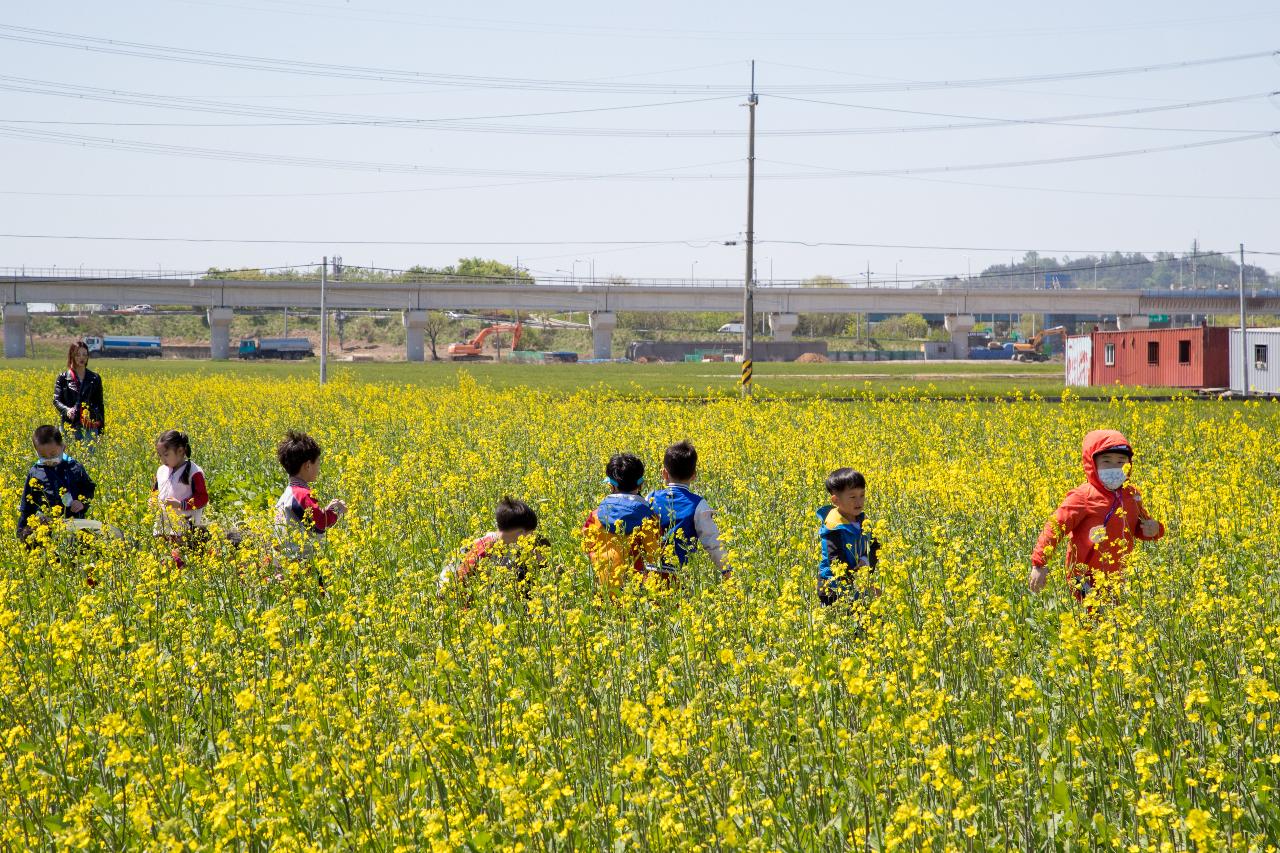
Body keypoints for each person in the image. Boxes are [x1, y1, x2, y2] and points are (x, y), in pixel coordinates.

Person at [1029, 429, 1164, 602]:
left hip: (1117, 574)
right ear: (1092, 463)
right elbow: (1054, 527)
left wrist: (1155, 529)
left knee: (1113, 621)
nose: (1115, 468)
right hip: (1084, 576)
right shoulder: (1082, 496)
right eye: (1107, 462)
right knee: (1092, 620)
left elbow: (1140, 526)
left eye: (1121, 462)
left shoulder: (1131, 494)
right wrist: (1039, 563)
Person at [646, 440, 731, 582]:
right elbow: (712, 542)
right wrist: (726, 571)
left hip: (649, 572)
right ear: (694, 475)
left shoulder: (651, 498)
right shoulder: (698, 504)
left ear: (664, 474)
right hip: (680, 575)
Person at [583, 453, 661, 594]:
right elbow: (655, 557)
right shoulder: (650, 519)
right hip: (637, 593)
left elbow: (587, 547)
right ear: (641, 484)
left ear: (611, 486)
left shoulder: (595, 516)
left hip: (603, 591)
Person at [439, 496, 547, 591]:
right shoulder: (481, 549)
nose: (532, 539)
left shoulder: (514, 546)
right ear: (520, 533)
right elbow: (453, 586)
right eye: (530, 534)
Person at [17, 425, 96, 545]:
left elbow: (89, 488)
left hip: (75, 523)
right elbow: (27, 507)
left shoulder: (74, 467)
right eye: (43, 456)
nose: (49, 459)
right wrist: (21, 532)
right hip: (47, 525)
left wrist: (82, 503)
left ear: (63, 446)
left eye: (53, 454)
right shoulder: (35, 472)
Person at [274, 430, 346, 561]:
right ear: (307, 465)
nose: (318, 467)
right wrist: (336, 511)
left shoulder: (288, 494)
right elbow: (319, 525)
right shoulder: (301, 494)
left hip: (287, 561)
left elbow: (308, 519)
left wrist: (326, 510)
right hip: (302, 563)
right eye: (317, 463)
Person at [816, 468, 880, 606]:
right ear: (836, 500)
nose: (859, 501)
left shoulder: (863, 521)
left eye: (862, 495)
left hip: (858, 585)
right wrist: (864, 586)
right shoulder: (833, 528)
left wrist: (866, 561)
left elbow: (875, 547)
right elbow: (836, 562)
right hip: (834, 590)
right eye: (852, 497)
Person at [151, 430, 210, 562]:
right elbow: (155, 490)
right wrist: (152, 499)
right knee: (161, 560)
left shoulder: (194, 472)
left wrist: (181, 504)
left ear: (180, 451)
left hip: (184, 527)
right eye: (160, 456)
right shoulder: (161, 471)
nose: (162, 460)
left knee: (179, 560)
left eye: (166, 455)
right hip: (162, 524)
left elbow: (202, 498)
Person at [53, 341, 105, 442]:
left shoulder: (95, 378)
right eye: (78, 354)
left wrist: (101, 431)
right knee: (69, 457)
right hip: (69, 425)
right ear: (71, 356)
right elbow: (56, 400)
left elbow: (99, 404)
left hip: (90, 425)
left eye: (85, 354)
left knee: (89, 457)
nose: (82, 358)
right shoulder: (63, 377)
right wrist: (67, 410)